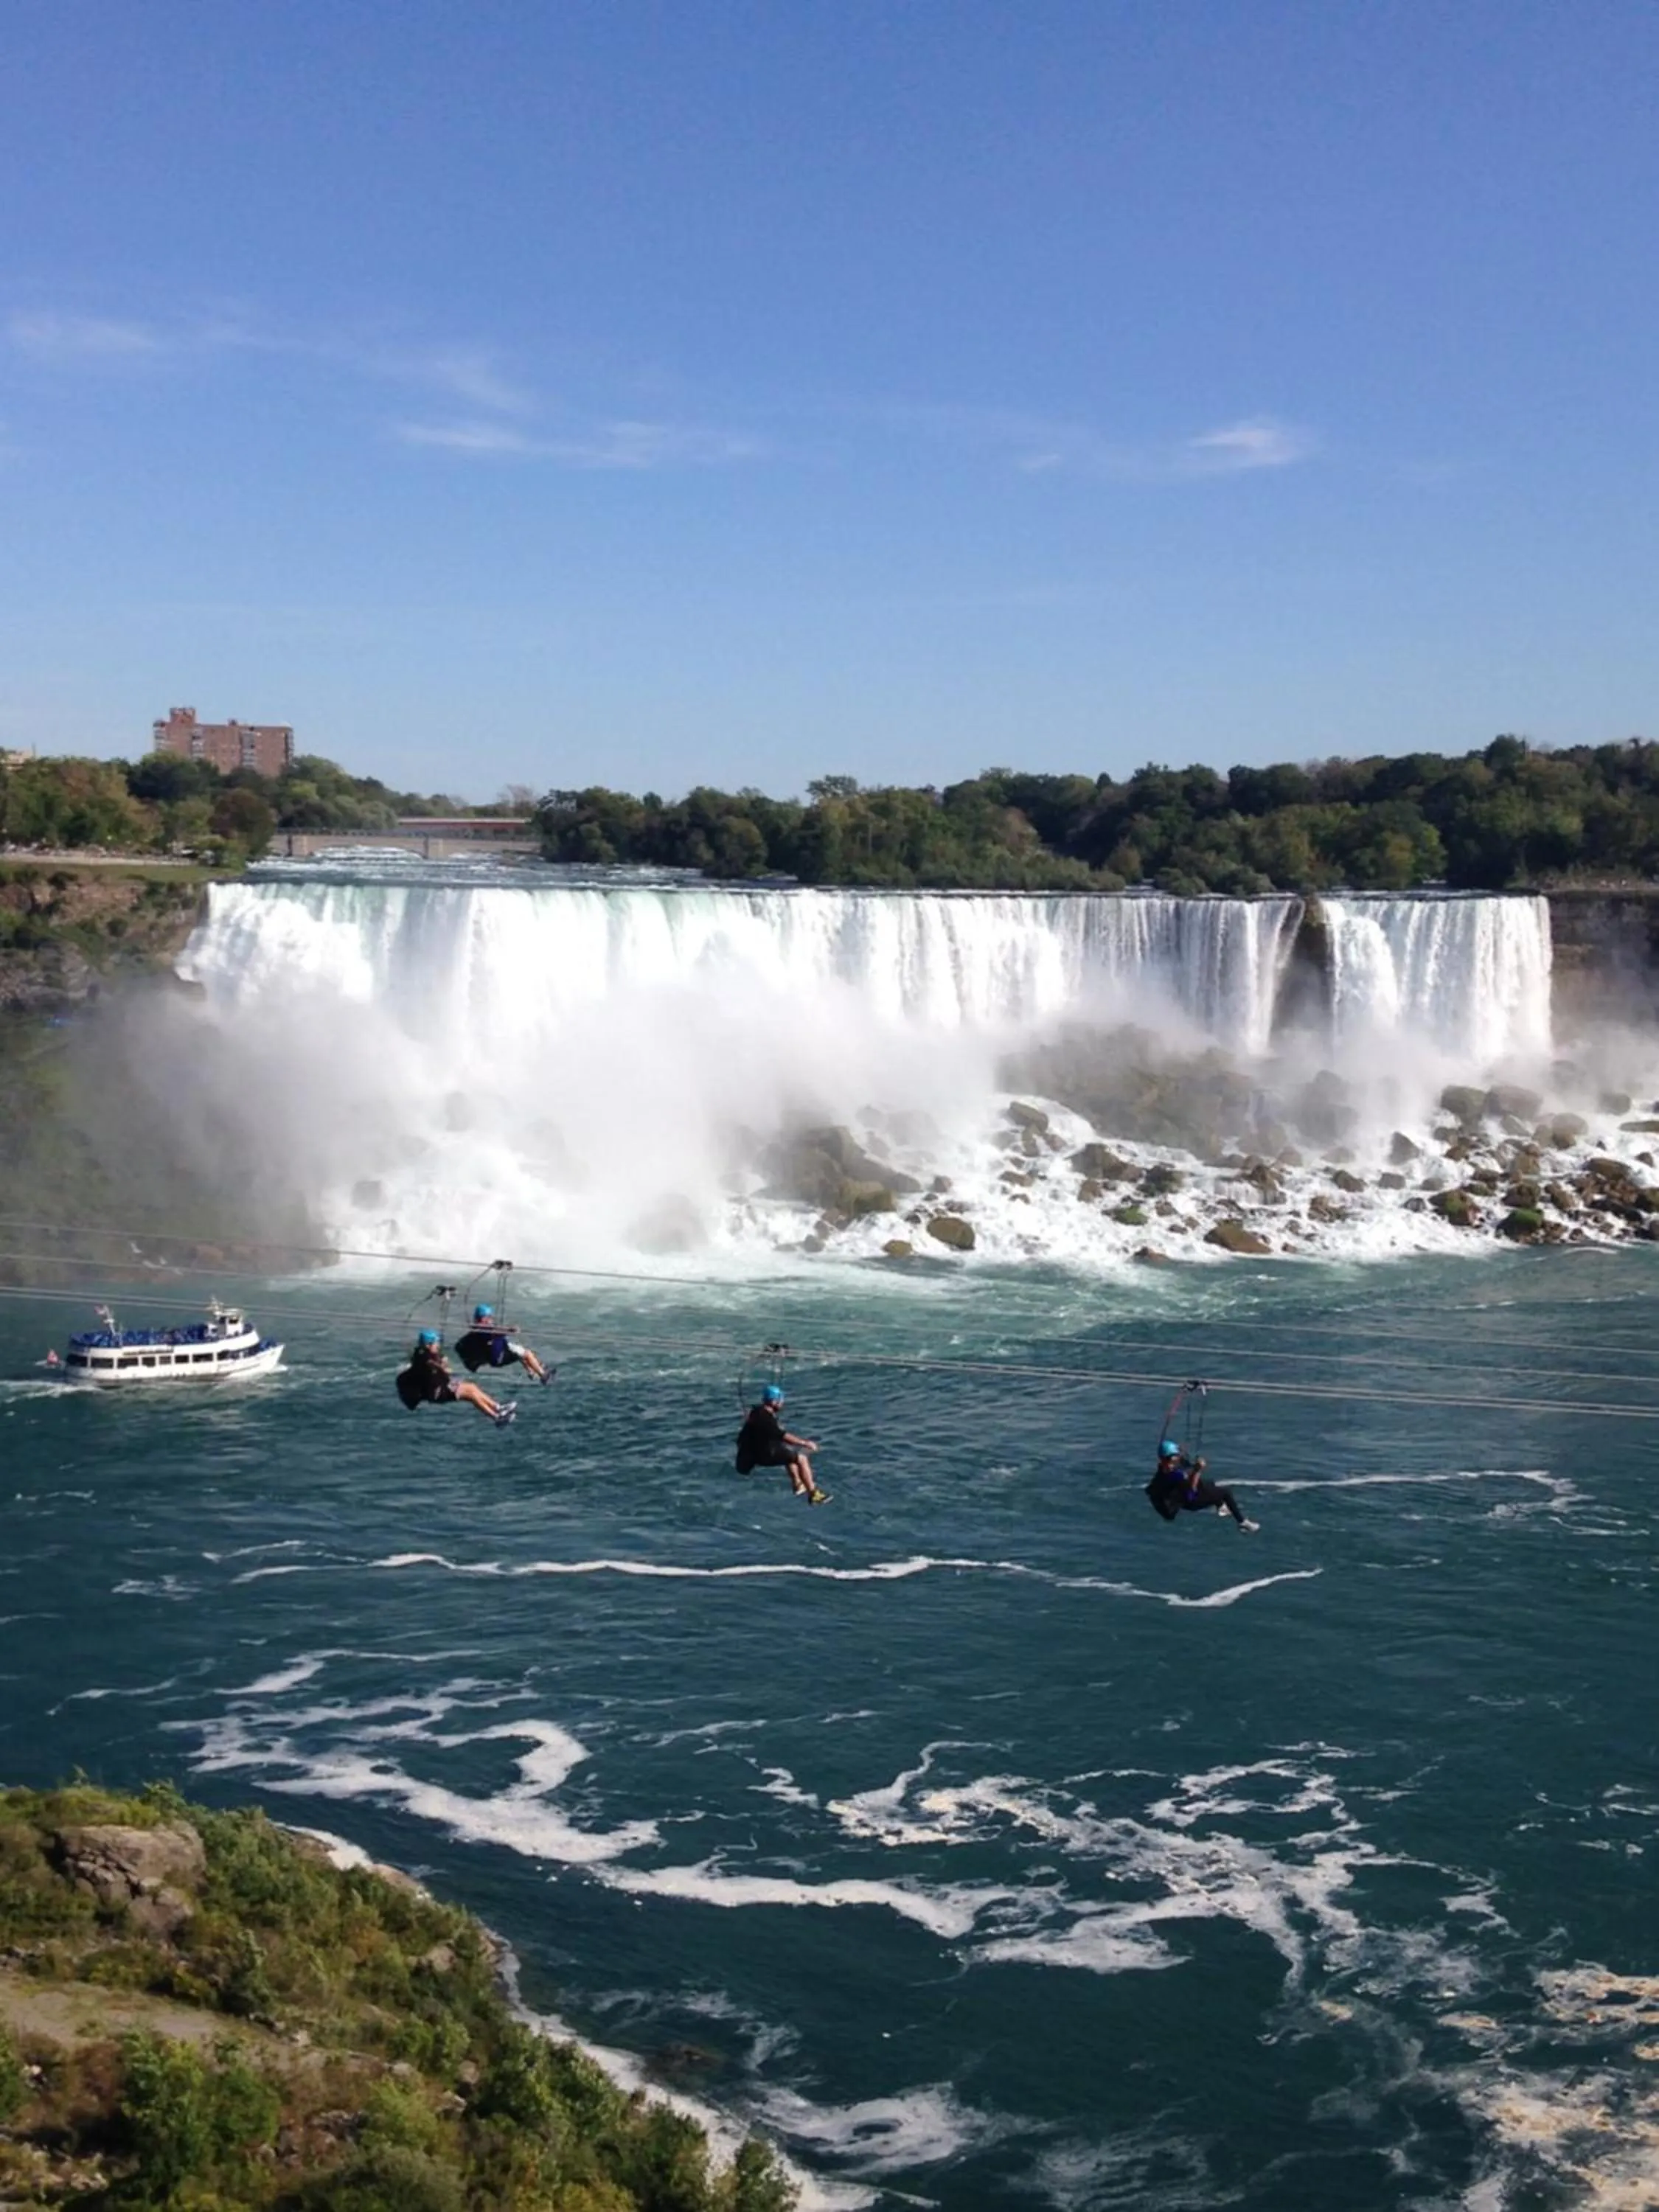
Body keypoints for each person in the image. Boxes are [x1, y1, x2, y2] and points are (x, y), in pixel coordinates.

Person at [395, 1328, 516, 1427]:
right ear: (428, 1345)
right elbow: (433, 1369)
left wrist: (442, 1365)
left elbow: (436, 1369)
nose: (438, 1345)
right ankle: (496, 1417)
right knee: (471, 1395)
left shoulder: (425, 1355)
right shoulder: (425, 1360)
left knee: (472, 1387)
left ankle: (498, 1407)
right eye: (436, 1343)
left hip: (442, 1385)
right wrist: (443, 1367)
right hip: (438, 1392)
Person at [735, 1384, 827, 1503]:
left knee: (788, 1454)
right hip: (765, 1454)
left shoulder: (757, 1412)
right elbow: (783, 1435)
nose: (782, 1403)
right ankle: (813, 1493)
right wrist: (805, 1443)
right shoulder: (766, 1418)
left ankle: (798, 1485)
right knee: (801, 1458)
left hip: (757, 1452)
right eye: (781, 1401)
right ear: (774, 1401)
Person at [1147, 1439, 1257, 1531]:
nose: (1178, 1456)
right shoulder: (1176, 1475)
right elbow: (1192, 1491)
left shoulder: (1163, 1467)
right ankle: (1242, 1522)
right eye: (1176, 1455)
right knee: (1226, 1492)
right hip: (1190, 1501)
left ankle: (1221, 1507)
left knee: (1210, 1483)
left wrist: (1182, 1453)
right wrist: (1198, 1470)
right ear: (1171, 1458)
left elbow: (1183, 1463)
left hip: (1177, 1496)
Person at [452, 1304, 555, 1387]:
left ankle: (532, 1372)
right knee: (527, 1354)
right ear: (484, 1318)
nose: (491, 1319)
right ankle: (543, 1375)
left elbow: (459, 1346)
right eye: (489, 1317)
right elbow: (496, 1332)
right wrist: (510, 1330)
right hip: (499, 1357)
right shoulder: (484, 1330)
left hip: (499, 1354)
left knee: (520, 1352)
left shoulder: (476, 1331)